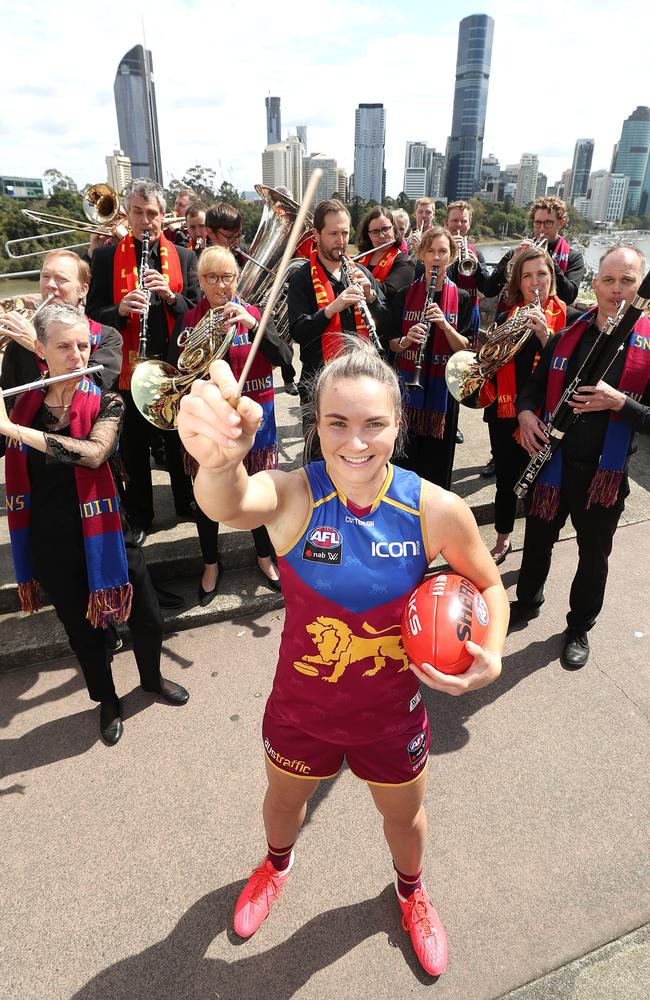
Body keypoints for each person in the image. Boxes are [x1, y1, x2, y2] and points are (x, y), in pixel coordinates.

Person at [176, 339, 508, 977]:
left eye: (374, 424)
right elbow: (229, 502)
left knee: (405, 819)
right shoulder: (297, 495)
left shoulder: (434, 509)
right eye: (337, 423)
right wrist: (218, 463)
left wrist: (489, 654)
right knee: (281, 803)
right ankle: (276, 864)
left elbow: (489, 584)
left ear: (397, 426)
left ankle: (410, 891)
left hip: (393, 715)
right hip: (301, 709)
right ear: (315, 425)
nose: (356, 442)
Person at [0, 303, 189, 745]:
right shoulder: (22, 404)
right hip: (51, 538)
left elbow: (94, 453)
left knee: (148, 618)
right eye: (63, 346)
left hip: (108, 530)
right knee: (83, 634)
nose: (77, 355)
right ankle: (107, 699)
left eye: (82, 345)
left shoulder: (107, 397)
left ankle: (151, 680)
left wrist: (15, 431)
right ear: (40, 351)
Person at [512, 245, 650, 669]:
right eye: (608, 280)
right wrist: (526, 413)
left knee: (593, 557)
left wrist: (619, 403)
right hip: (553, 465)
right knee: (537, 541)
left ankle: (579, 626)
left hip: (602, 476)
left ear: (640, 287)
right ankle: (528, 599)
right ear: (594, 284)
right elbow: (534, 385)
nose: (616, 290)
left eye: (627, 281)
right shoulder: (569, 333)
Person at [171, 246, 288, 599]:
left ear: (237, 279)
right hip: (211, 424)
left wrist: (255, 325)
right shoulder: (190, 319)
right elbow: (176, 372)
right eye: (211, 277)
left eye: (227, 277)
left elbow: (283, 357)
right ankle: (211, 562)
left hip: (255, 423)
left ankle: (264, 555)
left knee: (258, 491)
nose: (220, 285)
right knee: (207, 498)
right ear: (200, 281)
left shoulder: (253, 313)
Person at [86, 178, 201, 538]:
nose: (145, 220)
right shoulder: (105, 257)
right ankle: (140, 514)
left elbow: (197, 310)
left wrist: (171, 297)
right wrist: (119, 310)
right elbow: (92, 314)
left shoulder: (184, 256)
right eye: (138, 212)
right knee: (134, 447)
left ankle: (187, 502)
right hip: (128, 369)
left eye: (152, 213)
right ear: (128, 214)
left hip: (172, 366)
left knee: (180, 440)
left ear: (164, 216)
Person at [482, 247, 566, 565]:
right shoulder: (508, 316)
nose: (534, 283)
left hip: (545, 415)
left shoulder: (568, 321)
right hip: (504, 413)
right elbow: (493, 363)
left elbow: (567, 369)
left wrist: (546, 335)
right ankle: (503, 539)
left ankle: (536, 543)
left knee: (539, 484)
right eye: (527, 276)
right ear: (519, 282)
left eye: (541, 274)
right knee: (506, 480)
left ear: (551, 278)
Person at [287, 198, 389, 438]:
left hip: (362, 380)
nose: (341, 241)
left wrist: (371, 297)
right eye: (333, 233)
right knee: (319, 457)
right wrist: (331, 308)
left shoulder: (361, 273)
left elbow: (388, 324)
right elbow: (298, 331)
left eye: (345, 233)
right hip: (319, 384)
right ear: (316, 234)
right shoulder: (302, 278)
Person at [388, 226, 472, 490]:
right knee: (405, 463)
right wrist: (406, 340)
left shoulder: (462, 297)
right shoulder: (404, 296)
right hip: (408, 394)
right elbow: (392, 343)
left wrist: (446, 326)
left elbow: (465, 349)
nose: (436, 258)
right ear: (422, 254)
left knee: (437, 469)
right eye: (431, 251)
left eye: (443, 252)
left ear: (452, 255)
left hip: (443, 395)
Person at [0, 249, 122, 394]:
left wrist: (38, 347)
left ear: (82, 290)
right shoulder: (20, 340)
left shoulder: (108, 337)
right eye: (45, 277)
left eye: (61, 279)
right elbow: (8, 397)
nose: (50, 284)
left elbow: (93, 385)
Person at [483, 196, 585, 310]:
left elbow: (569, 296)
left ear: (561, 223)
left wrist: (547, 259)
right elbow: (489, 290)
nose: (541, 229)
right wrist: (512, 262)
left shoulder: (573, 257)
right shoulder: (518, 252)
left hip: (552, 322)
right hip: (512, 316)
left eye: (548, 223)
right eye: (537, 223)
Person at [445, 200, 490, 347]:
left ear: (469, 225)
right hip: (446, 310)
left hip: (470, 311)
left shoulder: (476, 253)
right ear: (446, 223)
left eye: (463, 221)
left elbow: (486, 288)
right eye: (454, 220)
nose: (459, 225)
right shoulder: (437, 252)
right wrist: (451, 256)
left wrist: (476, 267)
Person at [354, 206, 415, 303]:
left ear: (394, 230)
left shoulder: (405, 262)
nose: (381, 236)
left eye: (386, 229)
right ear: (368, 235)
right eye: (375, 232)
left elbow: (389, 292)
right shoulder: (360, 258)